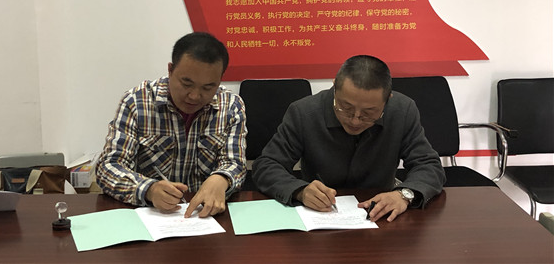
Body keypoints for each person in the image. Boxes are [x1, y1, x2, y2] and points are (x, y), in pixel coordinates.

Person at [252, 55, 445, 222]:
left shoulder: (402, 111)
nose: (355, 120)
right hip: (320, 216)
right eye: (345, 108)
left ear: (388, 100)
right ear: (334, 86)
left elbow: (428, 165)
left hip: (380, 216)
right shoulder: (304, 112)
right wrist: (300, 191)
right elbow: (267, 165)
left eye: (368, 113)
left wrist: (403, 195)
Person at [96, 32, 247, 218]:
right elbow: (108, 167)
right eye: (186, 84)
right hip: (150, 216)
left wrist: (221, 179)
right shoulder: (136, 102)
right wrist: (149, 189)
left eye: (208, 87)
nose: (194, 96)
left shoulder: (231, 106)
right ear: (170, 70)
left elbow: (235, 163)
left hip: (204, 216)